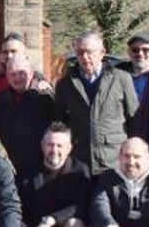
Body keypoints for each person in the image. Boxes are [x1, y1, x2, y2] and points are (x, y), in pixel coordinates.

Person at [54, 33, 139, 174]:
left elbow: (134, 118)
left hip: (113, 160)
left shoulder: (121, 79)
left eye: (89, 52)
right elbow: (59, 121)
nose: (85, 57)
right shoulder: (65, 84)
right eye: (80, 52)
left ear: (102, 52)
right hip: (79, 161)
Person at [0, 54, 55, 177]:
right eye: (12, 74)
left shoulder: (44, 98)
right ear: (7, 77)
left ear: (31, 73)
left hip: (39, 168)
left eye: (21, 73)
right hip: (10, 168)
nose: (17, 78)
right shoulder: (1, 99)